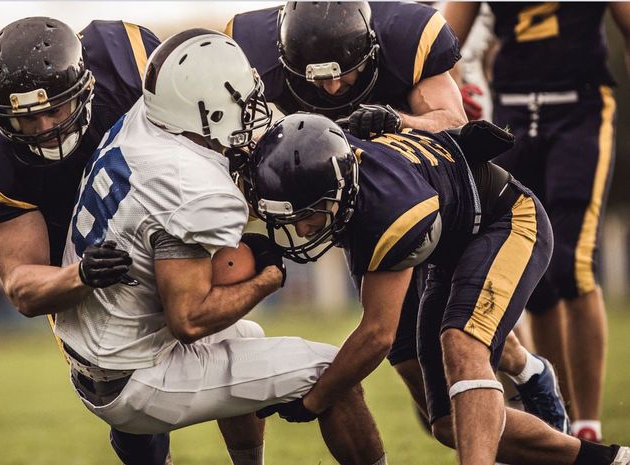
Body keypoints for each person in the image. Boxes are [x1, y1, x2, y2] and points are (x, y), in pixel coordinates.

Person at [228, 0, 567, 433]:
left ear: (371, 48)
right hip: (357, 203)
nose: (332, 89)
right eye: (317, 78)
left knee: (462, 340)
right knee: (425, 394)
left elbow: (452, 121)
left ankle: (525, 378)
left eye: (343, 71)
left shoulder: (406, 35)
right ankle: (521, 398)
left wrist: (398, 121)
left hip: (436, 189)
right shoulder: (251, 51)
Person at [58, 29, 386, 465]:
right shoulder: (195, 189)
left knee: (246, 337)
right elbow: (189, 321)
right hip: (136, 378)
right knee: (332, 372)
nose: (251, 110)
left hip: (96, 355)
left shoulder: (148, 120)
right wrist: (268, 279)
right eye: (240, 102)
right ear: (207, 111)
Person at [245, 112, 630, 465]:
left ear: (341, 190)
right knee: (447, 423)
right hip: (450, 249)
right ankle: (608, 461)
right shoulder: (331, 158)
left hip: (507, 221)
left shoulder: (388, 206)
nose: (302, 230)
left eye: (308, 214)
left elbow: (377, 334)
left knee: (462, 344)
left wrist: (314, 400)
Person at [0, 17, 172, 465]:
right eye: (27, 118)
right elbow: (22, 285)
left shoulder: (127, 62)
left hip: (165, 220)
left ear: (87, 86)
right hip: (79, 267)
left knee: (224, 336)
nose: (46, 126)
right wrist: (81, 274)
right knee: (118, 388)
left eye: (55, 109)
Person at [443, 2, 630, 442]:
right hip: (510, 113)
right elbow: (440, 40)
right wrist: (448, 89)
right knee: (535, 273)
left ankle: (586, 424)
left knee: (573, 265)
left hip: (580, 109)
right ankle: (555, 414)